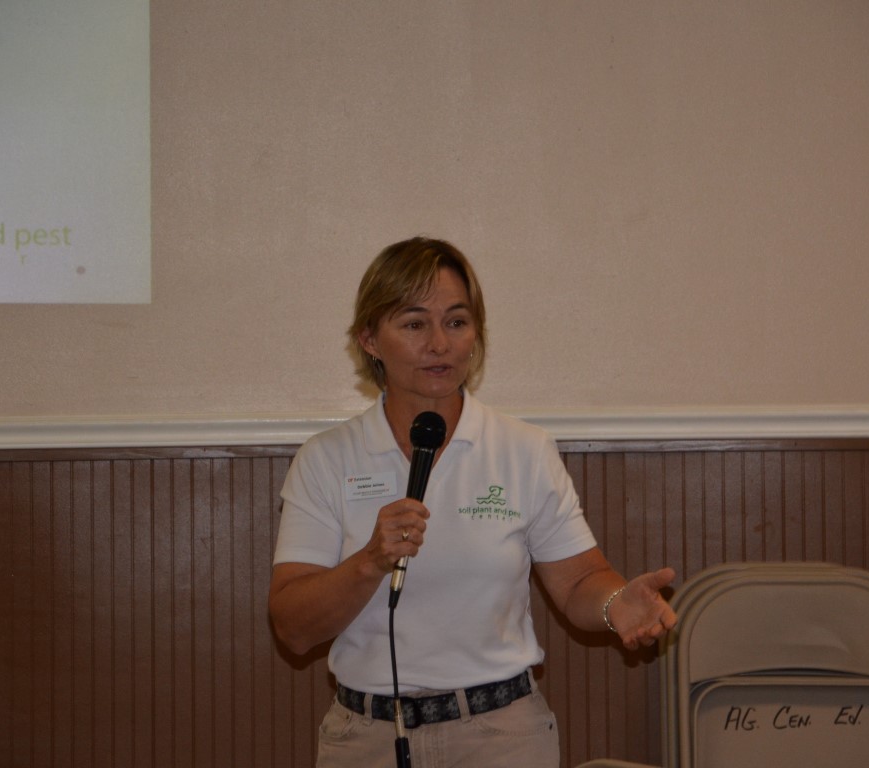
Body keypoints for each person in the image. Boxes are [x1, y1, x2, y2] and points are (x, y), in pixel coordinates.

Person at [268, 236, 678, 768]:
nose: (440, 343)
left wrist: (616, 603)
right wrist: (369, 561)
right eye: (414, 324)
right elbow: (293, 628)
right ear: (369, 338)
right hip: (367, 738)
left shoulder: (522, 449)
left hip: (501, 735)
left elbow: (580, 581)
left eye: (456, 322)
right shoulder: (326, 458)